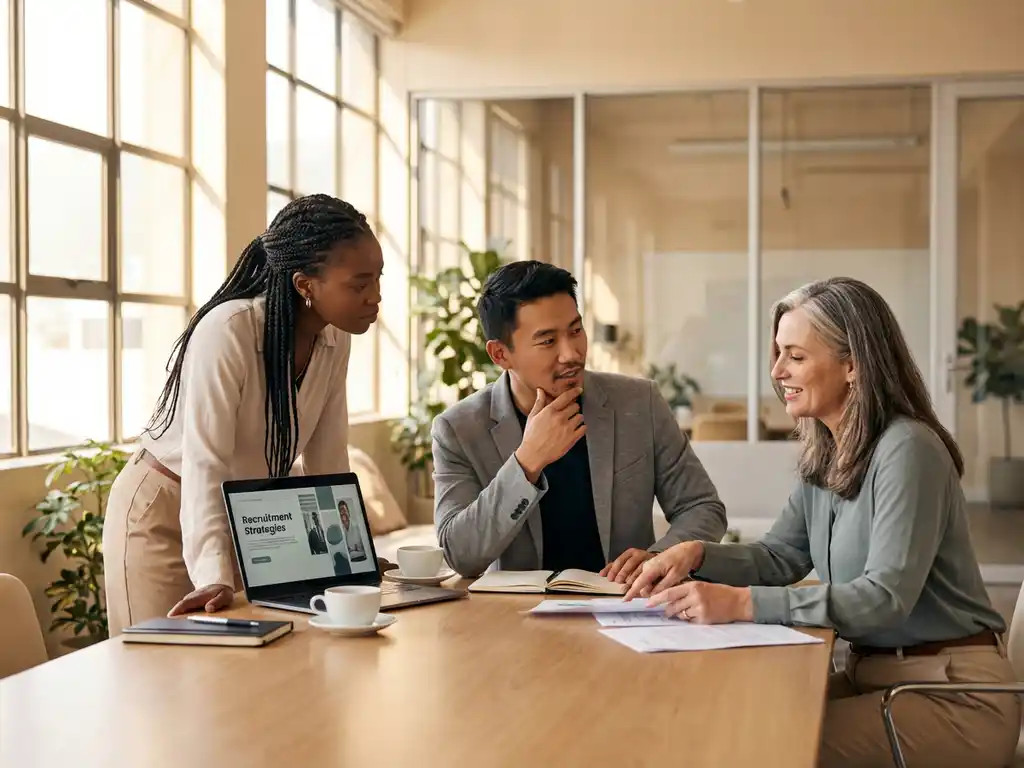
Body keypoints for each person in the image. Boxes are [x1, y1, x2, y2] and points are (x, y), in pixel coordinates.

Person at [625, 277, 1020, 767]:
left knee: (759, 747)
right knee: (726, 719)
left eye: (795, 356)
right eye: (778, 354)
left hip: (949, 697)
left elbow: (885, 599)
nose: (776, 371)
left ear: (852, 364)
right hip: (877, 679)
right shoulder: (832, 450)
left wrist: (742, 603)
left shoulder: (907, 450)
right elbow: (780, 556)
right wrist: (696, 554)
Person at [102, 194, 383, 636]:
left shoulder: (335, 342)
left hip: (243, 516)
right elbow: (204, 463)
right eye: (359, 284)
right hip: (166, 511)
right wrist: (214, 574)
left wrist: (349, 557)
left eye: (378, 280)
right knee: (157, 677)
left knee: (237, 679)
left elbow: (328, 461)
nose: (375, 297)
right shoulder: (229, 330)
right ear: (305, 284)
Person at [432, 260, 727, 581]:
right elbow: (460, 555)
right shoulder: (459, 429)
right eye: (547, 341)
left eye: (576, 330)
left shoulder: (640, 403)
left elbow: (702, 506)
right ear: (501, 354)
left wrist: (660, 557)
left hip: (624, 606)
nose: (571, 352)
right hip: (514, 615)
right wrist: (527, 461)